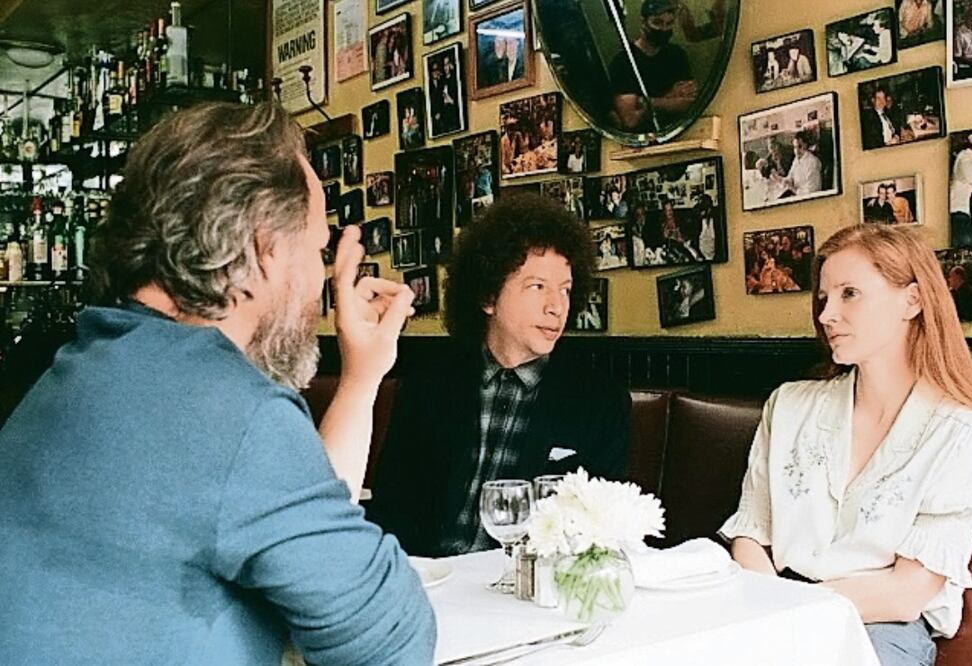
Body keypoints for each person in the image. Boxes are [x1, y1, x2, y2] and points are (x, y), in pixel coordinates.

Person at [0, 103, 435, 663]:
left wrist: (361, 377)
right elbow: (393, 641)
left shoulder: (85, 366)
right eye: (316, 248)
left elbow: (294, 528)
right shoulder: (226, 407)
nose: (316, 286)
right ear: (263, 244)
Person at [721, 224, 972, 666]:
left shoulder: (962, 436)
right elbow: (750, 533)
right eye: (823, 298)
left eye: (849, 294)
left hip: (876, 628)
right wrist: (770, 617)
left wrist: (792, 613)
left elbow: (906, 593)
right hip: (768, 605)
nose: (826, 315)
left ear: (912, 301)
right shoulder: (789, 406)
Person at [367, 194, 631, 557]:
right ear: (489, 295)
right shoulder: (430, 384)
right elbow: (390, 507)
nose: (557, 307)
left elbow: (602, 535)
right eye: (537, 286)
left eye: (566, 290)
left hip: (525, 595)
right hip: (431, 583)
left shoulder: (599, 400)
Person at [609, 0, 697, 132]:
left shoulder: (677, 55)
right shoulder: (623, 62)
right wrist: (670, 98)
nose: (664, 29)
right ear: (643, 22)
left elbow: (689, 103)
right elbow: (630, 119)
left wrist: (647, 103)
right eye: (657, 22)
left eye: (669, 24)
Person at [784, 131, 823, 197]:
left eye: (799, 146)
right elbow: (790, 176)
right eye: (794, 147)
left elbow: (812, 191)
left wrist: (793, 189)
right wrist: (780, 179)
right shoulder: (797, 159)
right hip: (797, 194)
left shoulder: (812, 162)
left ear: (806, 145)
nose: (796, 151)